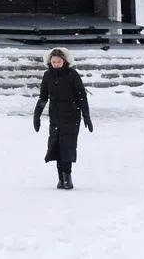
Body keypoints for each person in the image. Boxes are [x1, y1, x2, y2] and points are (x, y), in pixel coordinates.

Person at [33, 46, 92, 189]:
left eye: (59, 62)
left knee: (67, 146)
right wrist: (37, 115)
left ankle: (68, 177)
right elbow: (43, 97)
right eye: (54, 62)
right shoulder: (47, 75)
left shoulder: (72, 74)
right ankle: (61, 178)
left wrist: (86, 116)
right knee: (56, 147)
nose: (56, 64)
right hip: (55, 116)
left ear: (64, 61)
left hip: (72, 116)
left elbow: (81, 96)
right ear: (50, 62)